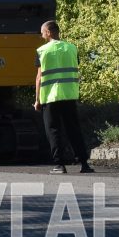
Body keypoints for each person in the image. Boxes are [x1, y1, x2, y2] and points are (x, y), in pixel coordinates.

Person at [34, 20, 93, 174]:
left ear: (48, 32)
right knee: (73, 129)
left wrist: (37, 100)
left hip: (50, 97)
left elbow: (39, 77)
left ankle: (59, 164)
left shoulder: (42, 51)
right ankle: (84, 163)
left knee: (53, 130)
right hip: (69, 94)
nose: (41, 35)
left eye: (42, 32)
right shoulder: (72, 48)